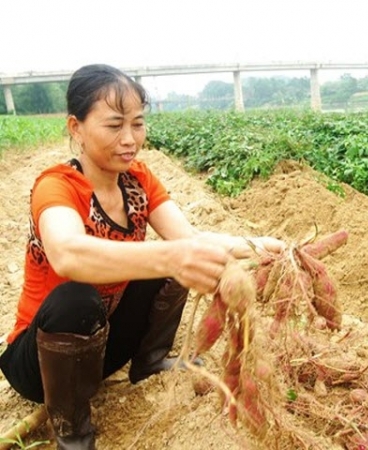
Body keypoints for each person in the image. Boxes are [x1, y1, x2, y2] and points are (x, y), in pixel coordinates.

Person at [0, 63, 284, 450]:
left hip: (102, 343)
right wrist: (171, 256)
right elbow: (67, 254)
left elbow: (190, 239)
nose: (130, 138)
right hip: (39, 362)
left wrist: (257, 246)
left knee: (175, 262)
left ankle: (149, 361)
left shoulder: (138, 181)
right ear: (75, 128)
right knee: (77, 296)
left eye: (137, 123)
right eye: (114, 125)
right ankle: (72, 431)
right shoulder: (57, 186)